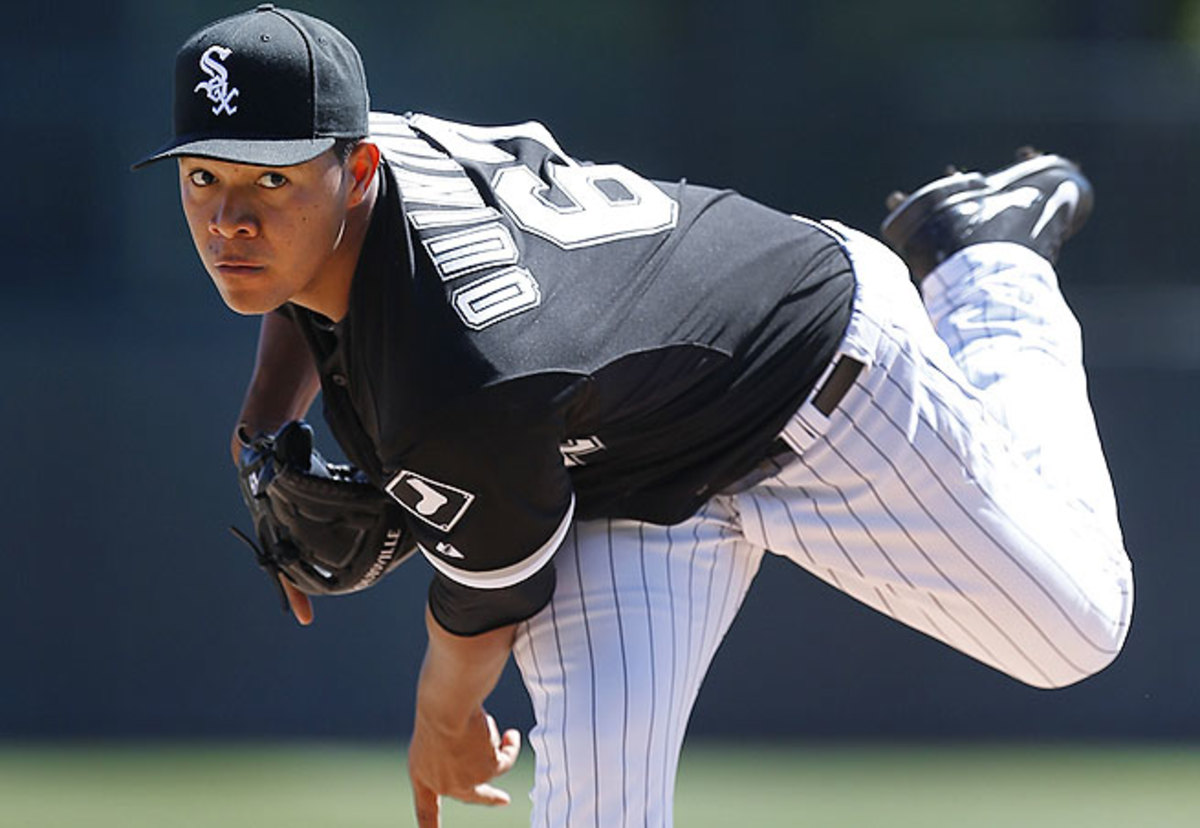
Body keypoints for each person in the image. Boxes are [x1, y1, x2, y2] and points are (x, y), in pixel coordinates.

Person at [136, 6, 1133, 827]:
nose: (231, 220)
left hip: (816, 368)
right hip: (612, 462)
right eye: (204, 178)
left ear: (353, 173)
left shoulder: (461, 382)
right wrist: (258, 421)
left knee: (1076, 631)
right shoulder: (369, 148)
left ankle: (987, 261)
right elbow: (299, 275)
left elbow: (481, 612)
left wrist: (442, 723)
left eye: (271, 178)